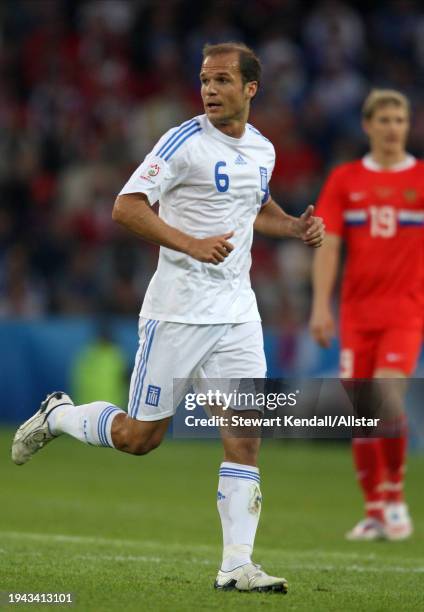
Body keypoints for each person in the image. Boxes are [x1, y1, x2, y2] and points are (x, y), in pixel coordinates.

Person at [12, 42, 324, 591]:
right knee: (140, 438)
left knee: (245, 434)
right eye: (205, 79)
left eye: (223, 80)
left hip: (236, 313)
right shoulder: (183, 141)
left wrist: (296, 227)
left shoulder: (262, 149)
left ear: (251, 88)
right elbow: (125, 205)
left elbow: (258, 206)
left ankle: (236, 566)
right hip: (177, 314)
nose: (210, 89)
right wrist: (189, 242)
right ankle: (59, 415)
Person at [310, 89, 424, 541]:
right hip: (357, 314)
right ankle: (374, 509)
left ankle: (394, 495)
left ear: (408, 124)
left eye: (400, 119)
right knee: (362, 413)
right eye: (385, 119)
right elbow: (329, 244)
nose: (393, 127)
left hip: (405, 311)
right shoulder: (345, 180)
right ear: (368, 125)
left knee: (387, 395)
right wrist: (321, 305)